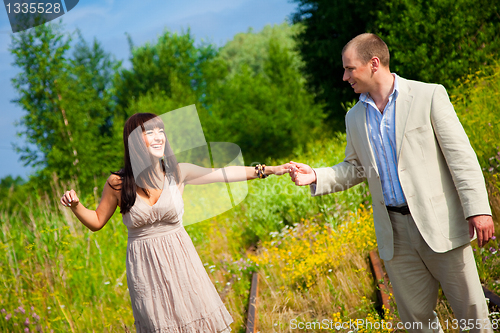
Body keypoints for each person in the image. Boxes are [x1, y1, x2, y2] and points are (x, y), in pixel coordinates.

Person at [289, 33, 494, 333]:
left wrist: (478, 209)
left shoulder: (429, 96)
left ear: (374, 64)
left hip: (442, 225)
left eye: (350, 68)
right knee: (416, 324)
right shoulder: (354, 117)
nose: (344, 76)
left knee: (473, 316)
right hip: (395, 236)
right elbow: (356, 168)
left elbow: (461, 157)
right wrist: (316, 175)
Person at [60, 112, 290, 333]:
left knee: (195, 315)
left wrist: (269, 169)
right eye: (150, 132)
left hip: (181, 259)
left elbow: (224, 172)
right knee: (158, 322)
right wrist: (76, 206)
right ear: (134, 141)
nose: (159, 136)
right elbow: (97, 221)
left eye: (161, 130)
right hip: (144, 267)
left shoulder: (177, 172)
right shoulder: (118, 182)